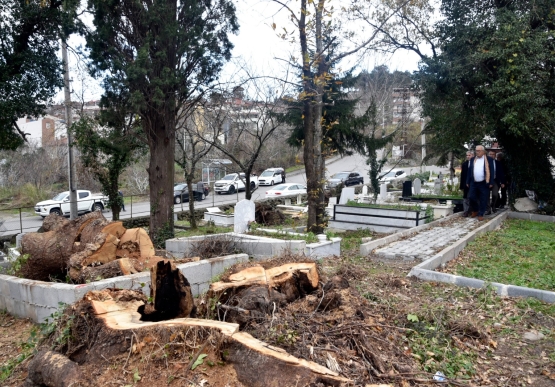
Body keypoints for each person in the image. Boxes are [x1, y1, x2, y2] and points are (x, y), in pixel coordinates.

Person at [466, 145, 494, 221]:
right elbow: (469, 171)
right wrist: (467, 181)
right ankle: (476, 210)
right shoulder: (472, 159)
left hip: (484, 182)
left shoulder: (489, 159)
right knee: (471, 197)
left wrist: (491, 182)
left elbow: (491, 171)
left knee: (483, 199)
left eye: (479, 151)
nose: (477, 152)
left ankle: (481, 214)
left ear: (483, 151)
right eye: (476, 151)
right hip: (473, 182)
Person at [459, 150, 473, 217]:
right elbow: (462, 175)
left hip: (473, 183)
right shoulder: (464, 164)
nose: (468, 157)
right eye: (467, 155)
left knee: (472, 197)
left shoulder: (475, 163)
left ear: (472, 155)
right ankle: (466, 211)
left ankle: (472, 210)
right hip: (465, 184)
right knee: (465, 197)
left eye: (469, 155)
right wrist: (461, 185)